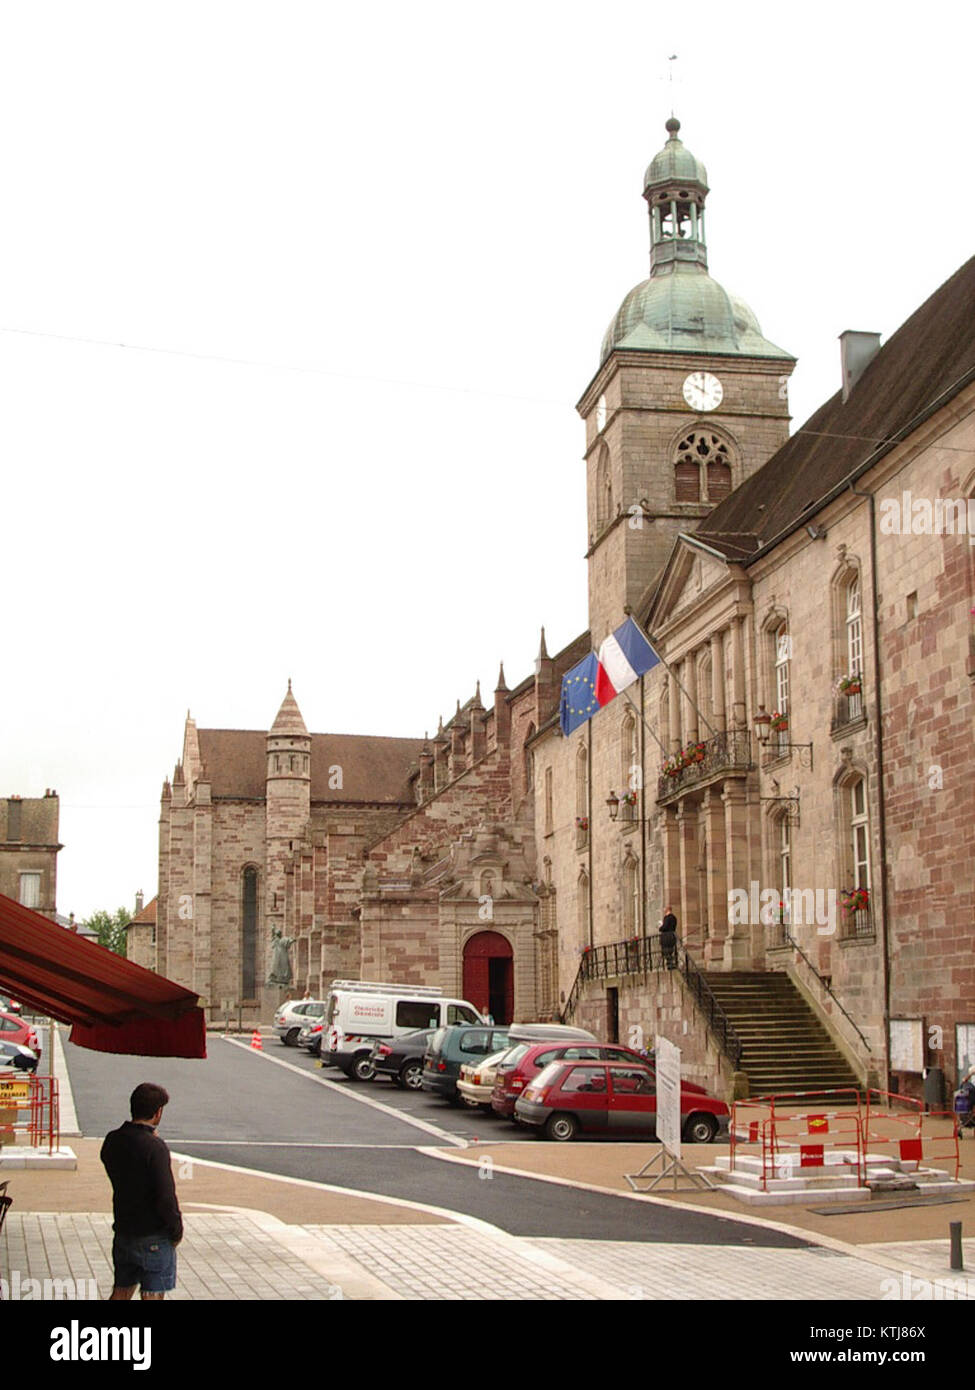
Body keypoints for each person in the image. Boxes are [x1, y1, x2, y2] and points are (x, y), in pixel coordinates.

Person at [100, 1082, 183, 1301]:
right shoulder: (155, 1147)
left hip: (124, 1230)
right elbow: (166, 1196)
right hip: (153, 1235)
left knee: (121, 1290)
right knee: (152, 1294)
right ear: (158, 1113)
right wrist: (176, 1229)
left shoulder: (113, 1140)